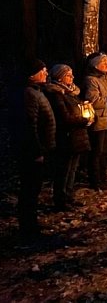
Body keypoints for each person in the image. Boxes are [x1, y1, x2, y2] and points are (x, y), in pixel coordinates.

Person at [12, 59, 56, 238]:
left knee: (33, 188)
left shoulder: (36, 91)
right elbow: (30, 125)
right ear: (32, 74)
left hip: (37, 150)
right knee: (30, 188)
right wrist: (36, 151)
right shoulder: (29, 94)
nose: (46, 73)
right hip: (31, 152)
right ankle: (28, 227)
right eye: (43, 70)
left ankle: (31, 223)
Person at [43, 65, 90, 211]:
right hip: (66, 137)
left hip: (76, 135)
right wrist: (83, 119)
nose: (72, 77)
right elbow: (64, 117)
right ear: (59, 77)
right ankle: (60, 199)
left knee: (72, 168)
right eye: (69, 75)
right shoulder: (56, 94)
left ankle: (68, 195)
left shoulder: (71, 92)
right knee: (64, 169)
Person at [83, 53, 107, 190]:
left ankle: (103, 176)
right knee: (97, 151)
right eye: (104, 63)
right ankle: (95, 180)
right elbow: (94, 101)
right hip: (99, 120)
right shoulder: (91, 80)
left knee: (105, 151)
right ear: (95, 65)